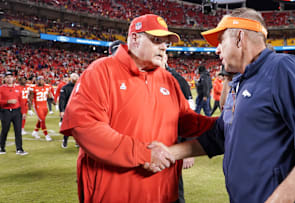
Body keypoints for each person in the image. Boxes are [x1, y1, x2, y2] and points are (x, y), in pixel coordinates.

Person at [148, 8, 295, 202]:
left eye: (221, 41)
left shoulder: (282, 68)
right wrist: (170, 152)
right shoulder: (241, 81)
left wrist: (280, 199)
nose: (217, 49)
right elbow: (220, 136)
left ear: (240, 38)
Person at [59, 14, 216, 202]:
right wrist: (145, 153)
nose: (164, 46)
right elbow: (85, 127)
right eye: (157, 40)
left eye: (166, 42)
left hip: (163, 192)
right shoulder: (101, 71)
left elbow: (187, 121)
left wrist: (228, 125)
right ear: (134, 38)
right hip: (114, 193)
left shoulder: (167, 80)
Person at [162, 54, 195, 203]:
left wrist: (189, 148)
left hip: (172, 146)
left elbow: (190, 114)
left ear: (166, 57)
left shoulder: (178, 80)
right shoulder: (145, 78)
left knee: (173, 192)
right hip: (148, 148)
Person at [0, 71, 28, 155]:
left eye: (10, 77)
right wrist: (7, 101)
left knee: (18, 131)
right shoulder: (1, 88)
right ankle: (1, 148)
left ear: (13, 78)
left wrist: (23, 112)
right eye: (7, 77)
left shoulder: (18, 88)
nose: (9, 78)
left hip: (17, 112)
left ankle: (19, 149)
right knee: (5, 130)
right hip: (5, 111)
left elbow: (22, 101)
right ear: (4, 79)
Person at [29, 76, 53, 141]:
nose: (41, 81)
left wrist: (54, 102)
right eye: (39, 80)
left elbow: (49, 95)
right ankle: (46, 135)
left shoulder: (47, 87)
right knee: (42, 120)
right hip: (38, 106)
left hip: (45, 106)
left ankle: (35, 131)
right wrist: (30, 109)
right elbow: (30, 98)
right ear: (37, 81)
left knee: (41, 120)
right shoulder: (33, 87)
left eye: (42, 79)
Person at [59, 73, 79, 148]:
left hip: (78, 109)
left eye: (77, 77)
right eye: (74, 77)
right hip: (69, 110)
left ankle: (78, 141)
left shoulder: (80, 86)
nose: (76, 78)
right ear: (71, 78)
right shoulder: (65, 87)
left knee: (78, 127)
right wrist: (62, 110)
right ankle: (65, 140)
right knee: (68, 126)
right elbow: (62, 100)